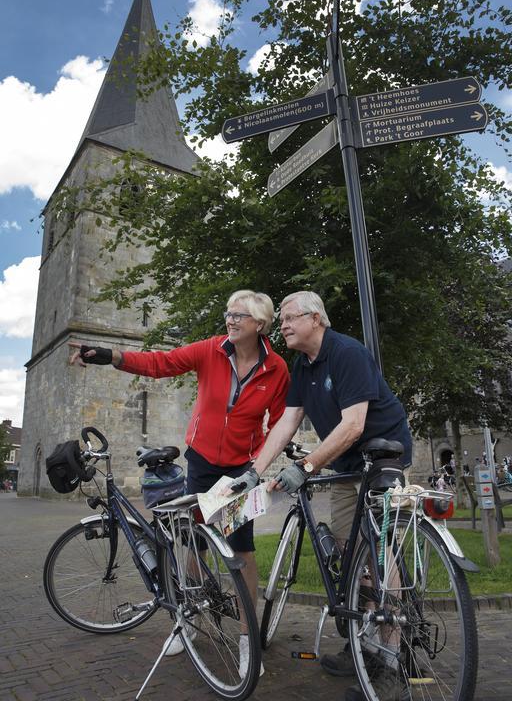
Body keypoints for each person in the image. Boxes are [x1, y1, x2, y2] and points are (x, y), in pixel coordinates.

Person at [69, 289, 289, 673]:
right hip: (202, 463)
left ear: (260, 324)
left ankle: (246, 637)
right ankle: (186, 622)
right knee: (193, 543)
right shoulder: (210, 351)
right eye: (228, 312)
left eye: (239, 315)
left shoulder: (277, 370)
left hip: (241, 470)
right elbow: (160, 363)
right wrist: (110, 356)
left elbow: (281, 421)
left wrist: (260, 464)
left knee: (241, 549)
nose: (230, 320)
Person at [229, 291, 412, 701]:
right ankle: (364, 642)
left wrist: (306, 466)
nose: (284, 326)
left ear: (316, 319)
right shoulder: (302, 365)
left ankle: (392, 656)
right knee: (352, 556)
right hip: (348, 464)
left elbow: (353, 424)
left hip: (383, 453)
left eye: (291, 318)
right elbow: (287, 422)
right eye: (282, 320)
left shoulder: (347, 353)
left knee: (377, 555)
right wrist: (253, 471)